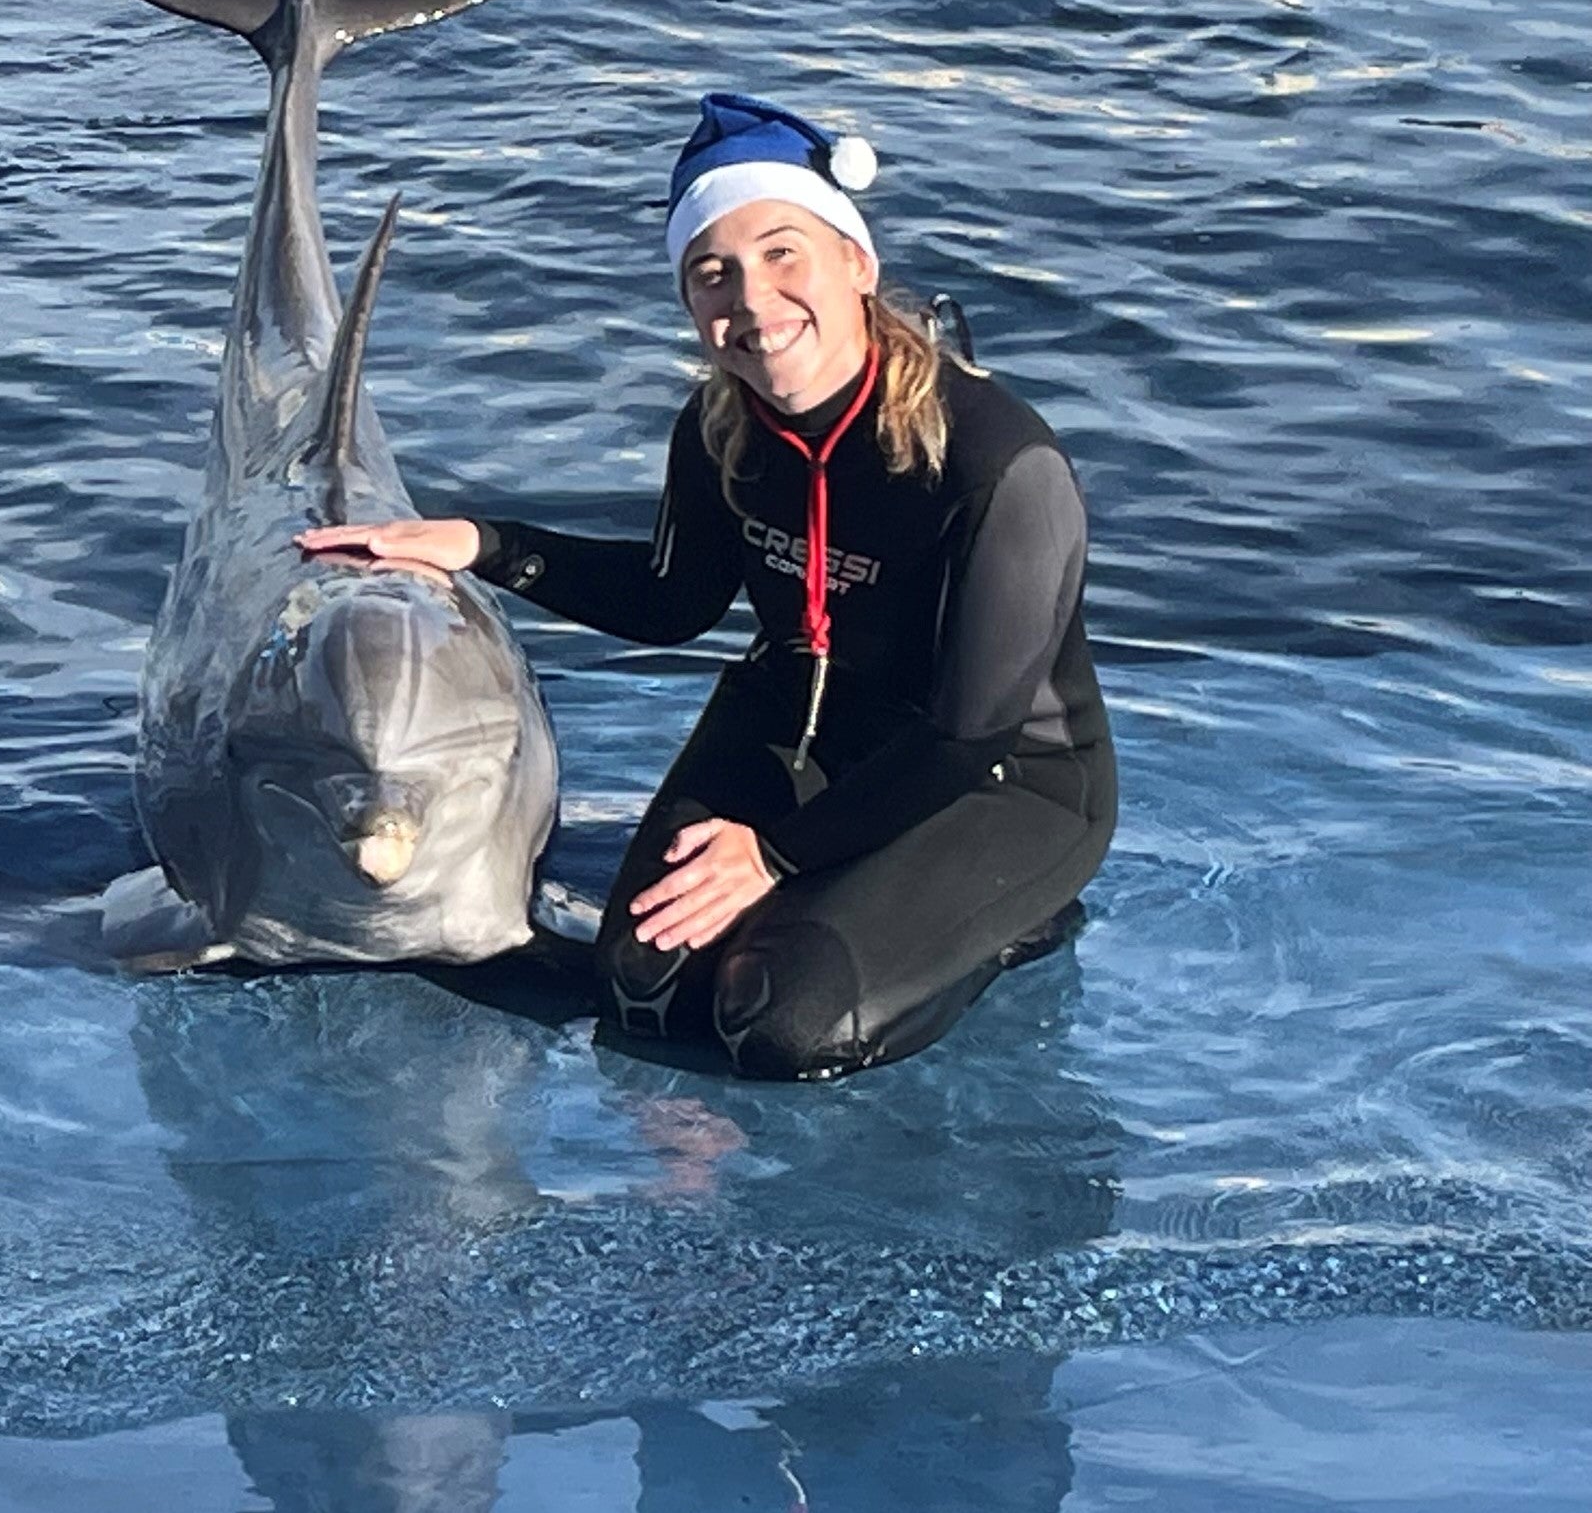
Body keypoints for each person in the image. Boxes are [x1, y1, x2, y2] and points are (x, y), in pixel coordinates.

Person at [303, 94, 1112, 1079]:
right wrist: (483, 544)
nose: (754, 301)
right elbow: (669, 599)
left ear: (855, 264)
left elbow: (967, 735)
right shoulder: (721, 428)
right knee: (643, 988)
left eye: (783, 254)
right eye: (712, 273)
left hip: (1001, 780)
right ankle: (838, 903)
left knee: (779, 1025)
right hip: (802, 725)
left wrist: (771, 859)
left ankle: (1009, 923)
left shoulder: (996, 463)